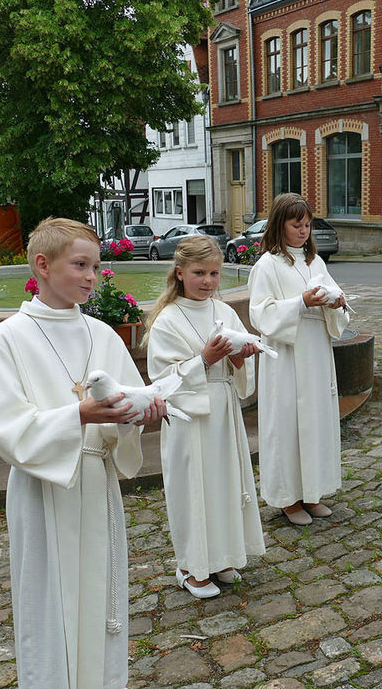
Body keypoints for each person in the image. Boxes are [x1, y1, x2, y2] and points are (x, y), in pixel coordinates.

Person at [0, 217, 167, 688]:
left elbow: (128, 400)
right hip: (43, 491)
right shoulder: (7, 338)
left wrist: (141, 414)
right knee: (47, 600)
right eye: (80, 264)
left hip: (95, 483)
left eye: (97, 266)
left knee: (99, 596)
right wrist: (77, 417)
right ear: (42, 265)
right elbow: (1, 424)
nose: (92, 276)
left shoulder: (103, 334)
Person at [145, 236, 265, 598]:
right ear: (179, 273)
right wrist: (205, 360)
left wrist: (242, 357)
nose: (208, 282)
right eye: (199, 273)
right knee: (194, 488)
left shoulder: (223, 311)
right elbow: (162, 380)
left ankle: (222, 556)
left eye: (214, 273)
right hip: (190, 417)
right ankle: (191, 567)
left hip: (223, 408)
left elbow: (236, 368)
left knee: (225, 483)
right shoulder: (167, 320)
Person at [248, 193, 349, 525]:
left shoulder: (315, 262)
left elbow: (332, 299)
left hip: (316, 352)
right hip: (287, 356)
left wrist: (337, 304)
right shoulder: (268, 266)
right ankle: (288, 498)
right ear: (280, 225)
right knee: (288, 423)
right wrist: (301, 303)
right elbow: (260, 314)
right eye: (296, 225)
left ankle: (311, 492)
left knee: (315, 421)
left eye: (307, 224)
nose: (304, 231)